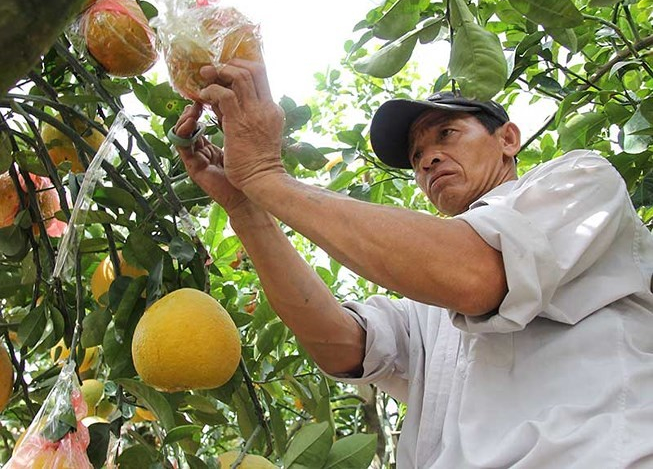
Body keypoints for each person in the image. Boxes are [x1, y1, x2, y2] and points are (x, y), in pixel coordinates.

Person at [174, 60, 653, 468]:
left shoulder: (581, 183)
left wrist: (267, 176)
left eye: (446, 134)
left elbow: (478, 273)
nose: (427, 160)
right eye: (417, 154)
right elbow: (339, 345)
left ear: (507, 138)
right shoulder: (424, 292)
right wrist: (248, 209)